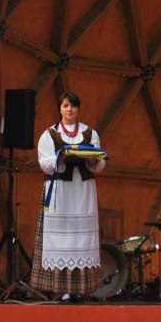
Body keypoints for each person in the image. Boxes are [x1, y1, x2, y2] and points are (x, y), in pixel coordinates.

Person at [29, 91, 107, 300]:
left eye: (72, 106)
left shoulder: (90, 133)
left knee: (81, 240)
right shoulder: (49, 134)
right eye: (65, 106)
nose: (69, 109)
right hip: (60, 192)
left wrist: (92, 161)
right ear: (60, 109)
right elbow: (44, 164)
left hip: (82, 190)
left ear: (78, 109)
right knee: (60, 241)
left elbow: (99, 164)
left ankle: (80, 290)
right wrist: (60, 157)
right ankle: (63, 290)